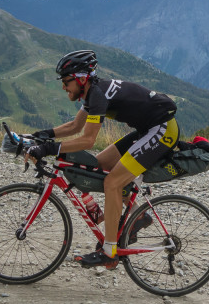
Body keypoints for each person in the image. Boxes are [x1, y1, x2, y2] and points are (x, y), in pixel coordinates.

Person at [24, 50, 179, 269]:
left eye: (66, 81)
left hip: (162, 130)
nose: (63, 87)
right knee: (98, 166)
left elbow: (87, 139)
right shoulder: (92, 93)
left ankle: (110, 251)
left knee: (112, 182)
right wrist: (42, 135)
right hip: (147, 129)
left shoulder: (97, 95)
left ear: (80, 79)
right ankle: (137, 216)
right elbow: (74, 126)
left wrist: (48, 148)